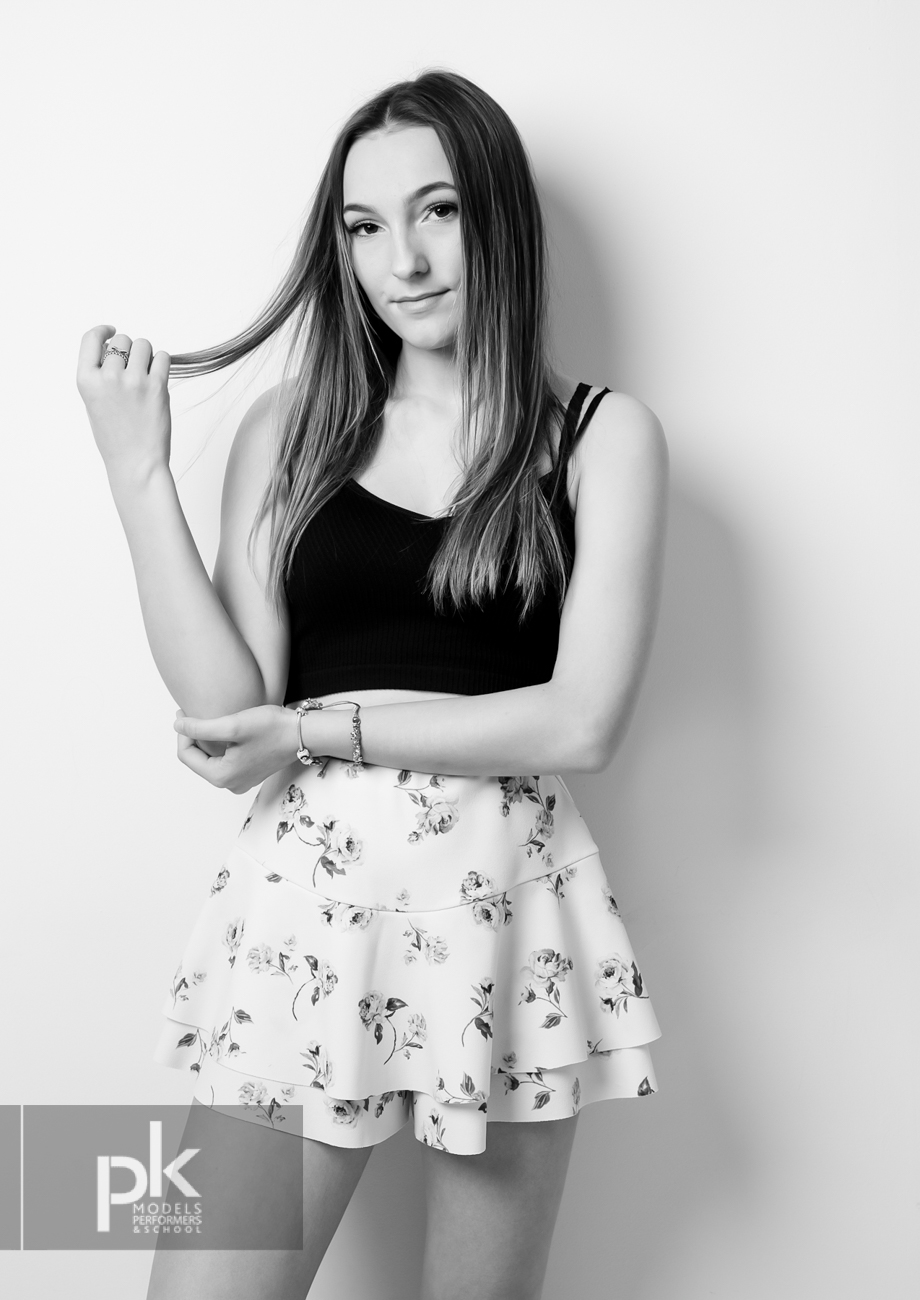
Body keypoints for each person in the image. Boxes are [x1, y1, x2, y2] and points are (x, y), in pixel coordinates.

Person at [77, 68, 667, 1300]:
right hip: (306, 913)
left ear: (496, 215)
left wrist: (310, 729)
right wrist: (140, 476)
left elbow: (579, 720)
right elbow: (229, 709)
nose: (401, 259)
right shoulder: (290, 430)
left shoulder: (599, 438)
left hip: (504, 914)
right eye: (362, 225)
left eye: (436, 210)